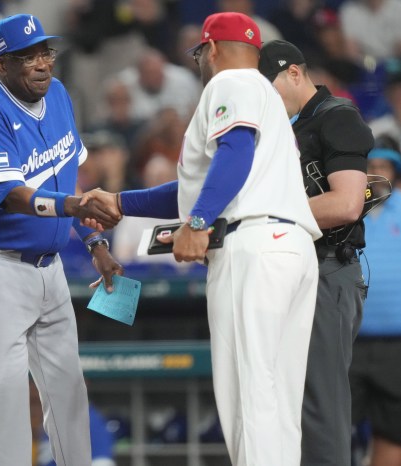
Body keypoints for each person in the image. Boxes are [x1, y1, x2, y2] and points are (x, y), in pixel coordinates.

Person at [82, 12, 321, 466]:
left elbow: (233, 154)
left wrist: (197, 222)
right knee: (278, 402)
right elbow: (206, 180)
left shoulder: (229, 83)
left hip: (253, 248)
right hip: (288, 247)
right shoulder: (265, 97)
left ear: (210, 49)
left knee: (249, 397)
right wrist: (120, 202)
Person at [0, 13, 123, 466]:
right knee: (6, 400)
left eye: (45, 51)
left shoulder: (60, 95)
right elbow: (10, 196)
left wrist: (94, 243)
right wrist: (74, 207)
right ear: (1, 64)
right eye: (28, 56)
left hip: (50, 267)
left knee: (69, 391)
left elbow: (69, 175)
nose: (42, 63)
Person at [258, 39, 373, 466]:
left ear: (293, 73)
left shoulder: (336, 115)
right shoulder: (287, 127)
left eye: (268, 85)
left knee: (319, 408)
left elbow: (346, 203)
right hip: (296, 272)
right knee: (291, 406)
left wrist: (264, 216)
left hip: (328, 271)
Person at [350, 141, 401, 466]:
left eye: (384, 167)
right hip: (347, 342)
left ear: (396, 171)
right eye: (369, 166)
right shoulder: (340, 211)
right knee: (331, 427)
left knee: (392, 432)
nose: (376, 174)